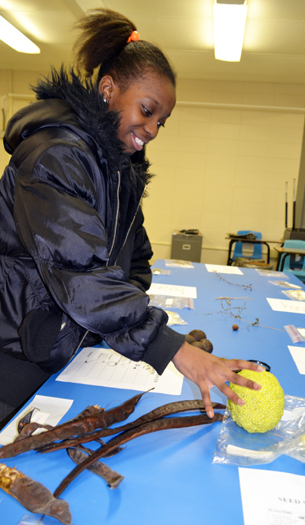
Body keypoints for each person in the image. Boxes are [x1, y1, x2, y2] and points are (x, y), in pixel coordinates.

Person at [0, 9, 262, 427]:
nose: (154, 129)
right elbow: (81, 275)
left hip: (69, 348)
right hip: (17, 355)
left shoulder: (118, 171)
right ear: (108, 89)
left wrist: (113, 325)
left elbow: (134, 261)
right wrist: (169, 346)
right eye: (147, 110)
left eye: (162, 121)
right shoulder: (56, 157)